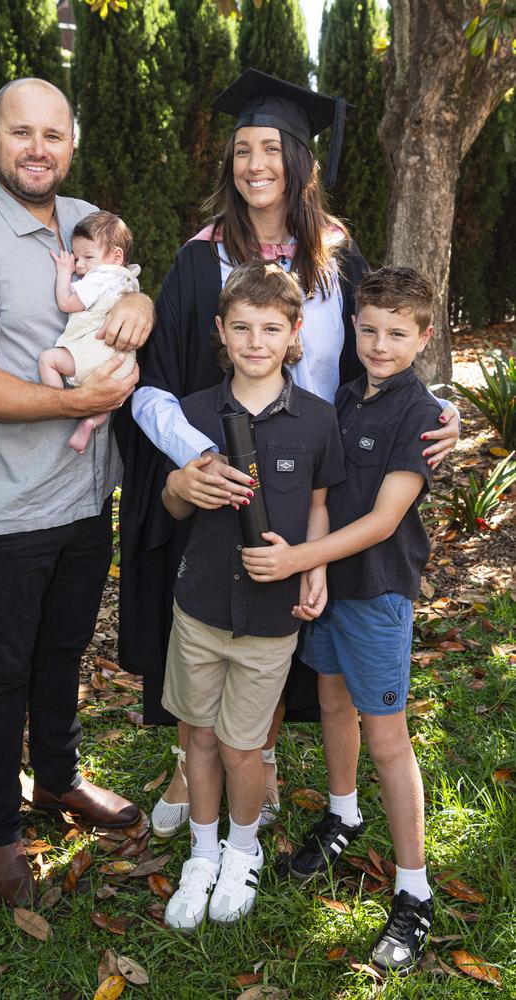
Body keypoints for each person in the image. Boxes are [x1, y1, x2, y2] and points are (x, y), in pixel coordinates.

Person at [115, 68, 460, 838]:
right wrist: (201, 458)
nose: (254, 164)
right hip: (225, 481)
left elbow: (385, 355)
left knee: (284, 624)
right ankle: (193, 760)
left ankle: (258, 760)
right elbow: (151, 386)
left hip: (315, 486)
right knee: (211, 619)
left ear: (300, 159)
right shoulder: (199, 259)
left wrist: (446, 410)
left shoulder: (336, 257)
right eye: (241, 150)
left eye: (271, 147)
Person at [0, 78, 153, 907]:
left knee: (64, 651)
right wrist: (72, 402)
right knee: (5, 668)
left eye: (53, 134)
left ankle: (56, 778)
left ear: (71, 142)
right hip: (12, 505)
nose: (38, 148)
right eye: (22, 132)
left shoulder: (90, 222)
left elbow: (123, 296)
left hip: (89, 493)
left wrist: (146, 305)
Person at [243, 266, 438, 975]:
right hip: (329, 587)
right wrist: (315, 569)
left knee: (387, 737)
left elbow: (386, 519)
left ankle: (414, 891)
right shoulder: (348, 396)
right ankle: (343, 812)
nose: (379, 344)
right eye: (368, 329)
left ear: (423, 336)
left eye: (396, 333)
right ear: (352, 327)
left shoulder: (420, 414)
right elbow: (328, 491)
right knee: (329, 698)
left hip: (378, 591)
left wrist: (299, 557)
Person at [161, 260, 345, 930]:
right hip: (202, 607)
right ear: (221, 330)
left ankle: (243, 849)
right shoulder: (193, 412)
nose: (256, 341)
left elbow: (321, 507)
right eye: (242, 327)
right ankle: (202, 854)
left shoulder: (319, 421)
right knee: (199, 737)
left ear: (295, 333)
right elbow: (170, 507)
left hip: (271, 620)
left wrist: (315, 568)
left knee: (242, 747)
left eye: (272, 327)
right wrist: (184, 487)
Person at [39, 211, 141, 454]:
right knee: (105, 400)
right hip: (122, 364)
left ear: (116, 256)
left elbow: (67, 302)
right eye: (75, 258)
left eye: (87, 257)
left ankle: (59, 404)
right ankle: (91, 422)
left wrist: (64, 271)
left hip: (95, 353)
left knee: (48, 360)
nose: (80, 265)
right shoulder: (130, 280)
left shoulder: (101, 277)